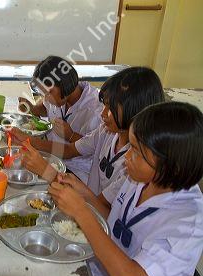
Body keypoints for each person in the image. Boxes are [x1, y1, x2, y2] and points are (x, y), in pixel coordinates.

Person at [49, 102, 203, 276]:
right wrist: (85, 194)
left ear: (172, 166)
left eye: (137, 152)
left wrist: (81, 212)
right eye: (131, 146)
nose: (127, 156)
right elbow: (115, 222)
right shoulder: (141, 179)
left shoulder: (188, 222)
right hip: (100, 273)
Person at [13, 67, 165, 207]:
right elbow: (69, 150)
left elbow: (98, 207)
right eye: (104, 105)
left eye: (110, 108)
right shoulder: (106, 132)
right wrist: (27, 140)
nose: (103, 113)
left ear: (135, 111)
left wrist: (47, 171)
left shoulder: (135, 163)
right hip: (87, 197)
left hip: (93, 210)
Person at [18, 56, 103, 183]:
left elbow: (96, 149)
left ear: (64, 84)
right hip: (51, 157)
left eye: (49, 92)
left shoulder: (96, 109)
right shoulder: (57, 96)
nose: (46, 97)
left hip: (76, 172)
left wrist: (71, 135)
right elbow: (43, 109)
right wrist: (31, 108)